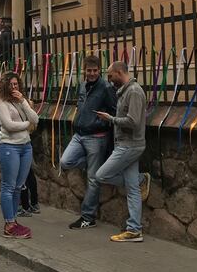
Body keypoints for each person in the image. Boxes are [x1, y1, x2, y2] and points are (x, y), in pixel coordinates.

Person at [60, 54, 118, 229]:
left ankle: (88, 217)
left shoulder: (106, 87)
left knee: (93, 179)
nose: (91, 73)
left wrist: (100, 123)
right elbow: (80, 105)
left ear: (99, 70)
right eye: (88, 70)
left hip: (97, 137)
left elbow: (115, 111)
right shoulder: (83, 85)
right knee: (65, 161)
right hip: (79, 134)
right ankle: (93, 163)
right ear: (84, 70)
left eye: (94, 70)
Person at [95, 61, 151, 243]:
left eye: (111, 76)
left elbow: (133, 122)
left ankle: (142, 178)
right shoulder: (126, 91)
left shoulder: (133, 91)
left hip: (129, 145)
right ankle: (134, 230)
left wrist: (111, 119)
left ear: (120, 72)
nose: (109, 80)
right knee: (132, 188)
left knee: (101, 175)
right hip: (128, 144)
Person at [0, 72, 38, 239]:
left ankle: (14, 220)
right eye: (11, 85)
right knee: (9, 186)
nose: (14, 87)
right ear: (5, 85)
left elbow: (36, 118)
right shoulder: (1, 102)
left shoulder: (21, 101)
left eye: (16, 84)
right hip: (9, 147)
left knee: (18, 187)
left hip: (25, 146)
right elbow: (8, 125)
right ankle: (8, 223)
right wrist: (28, 124)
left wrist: (23, 102)